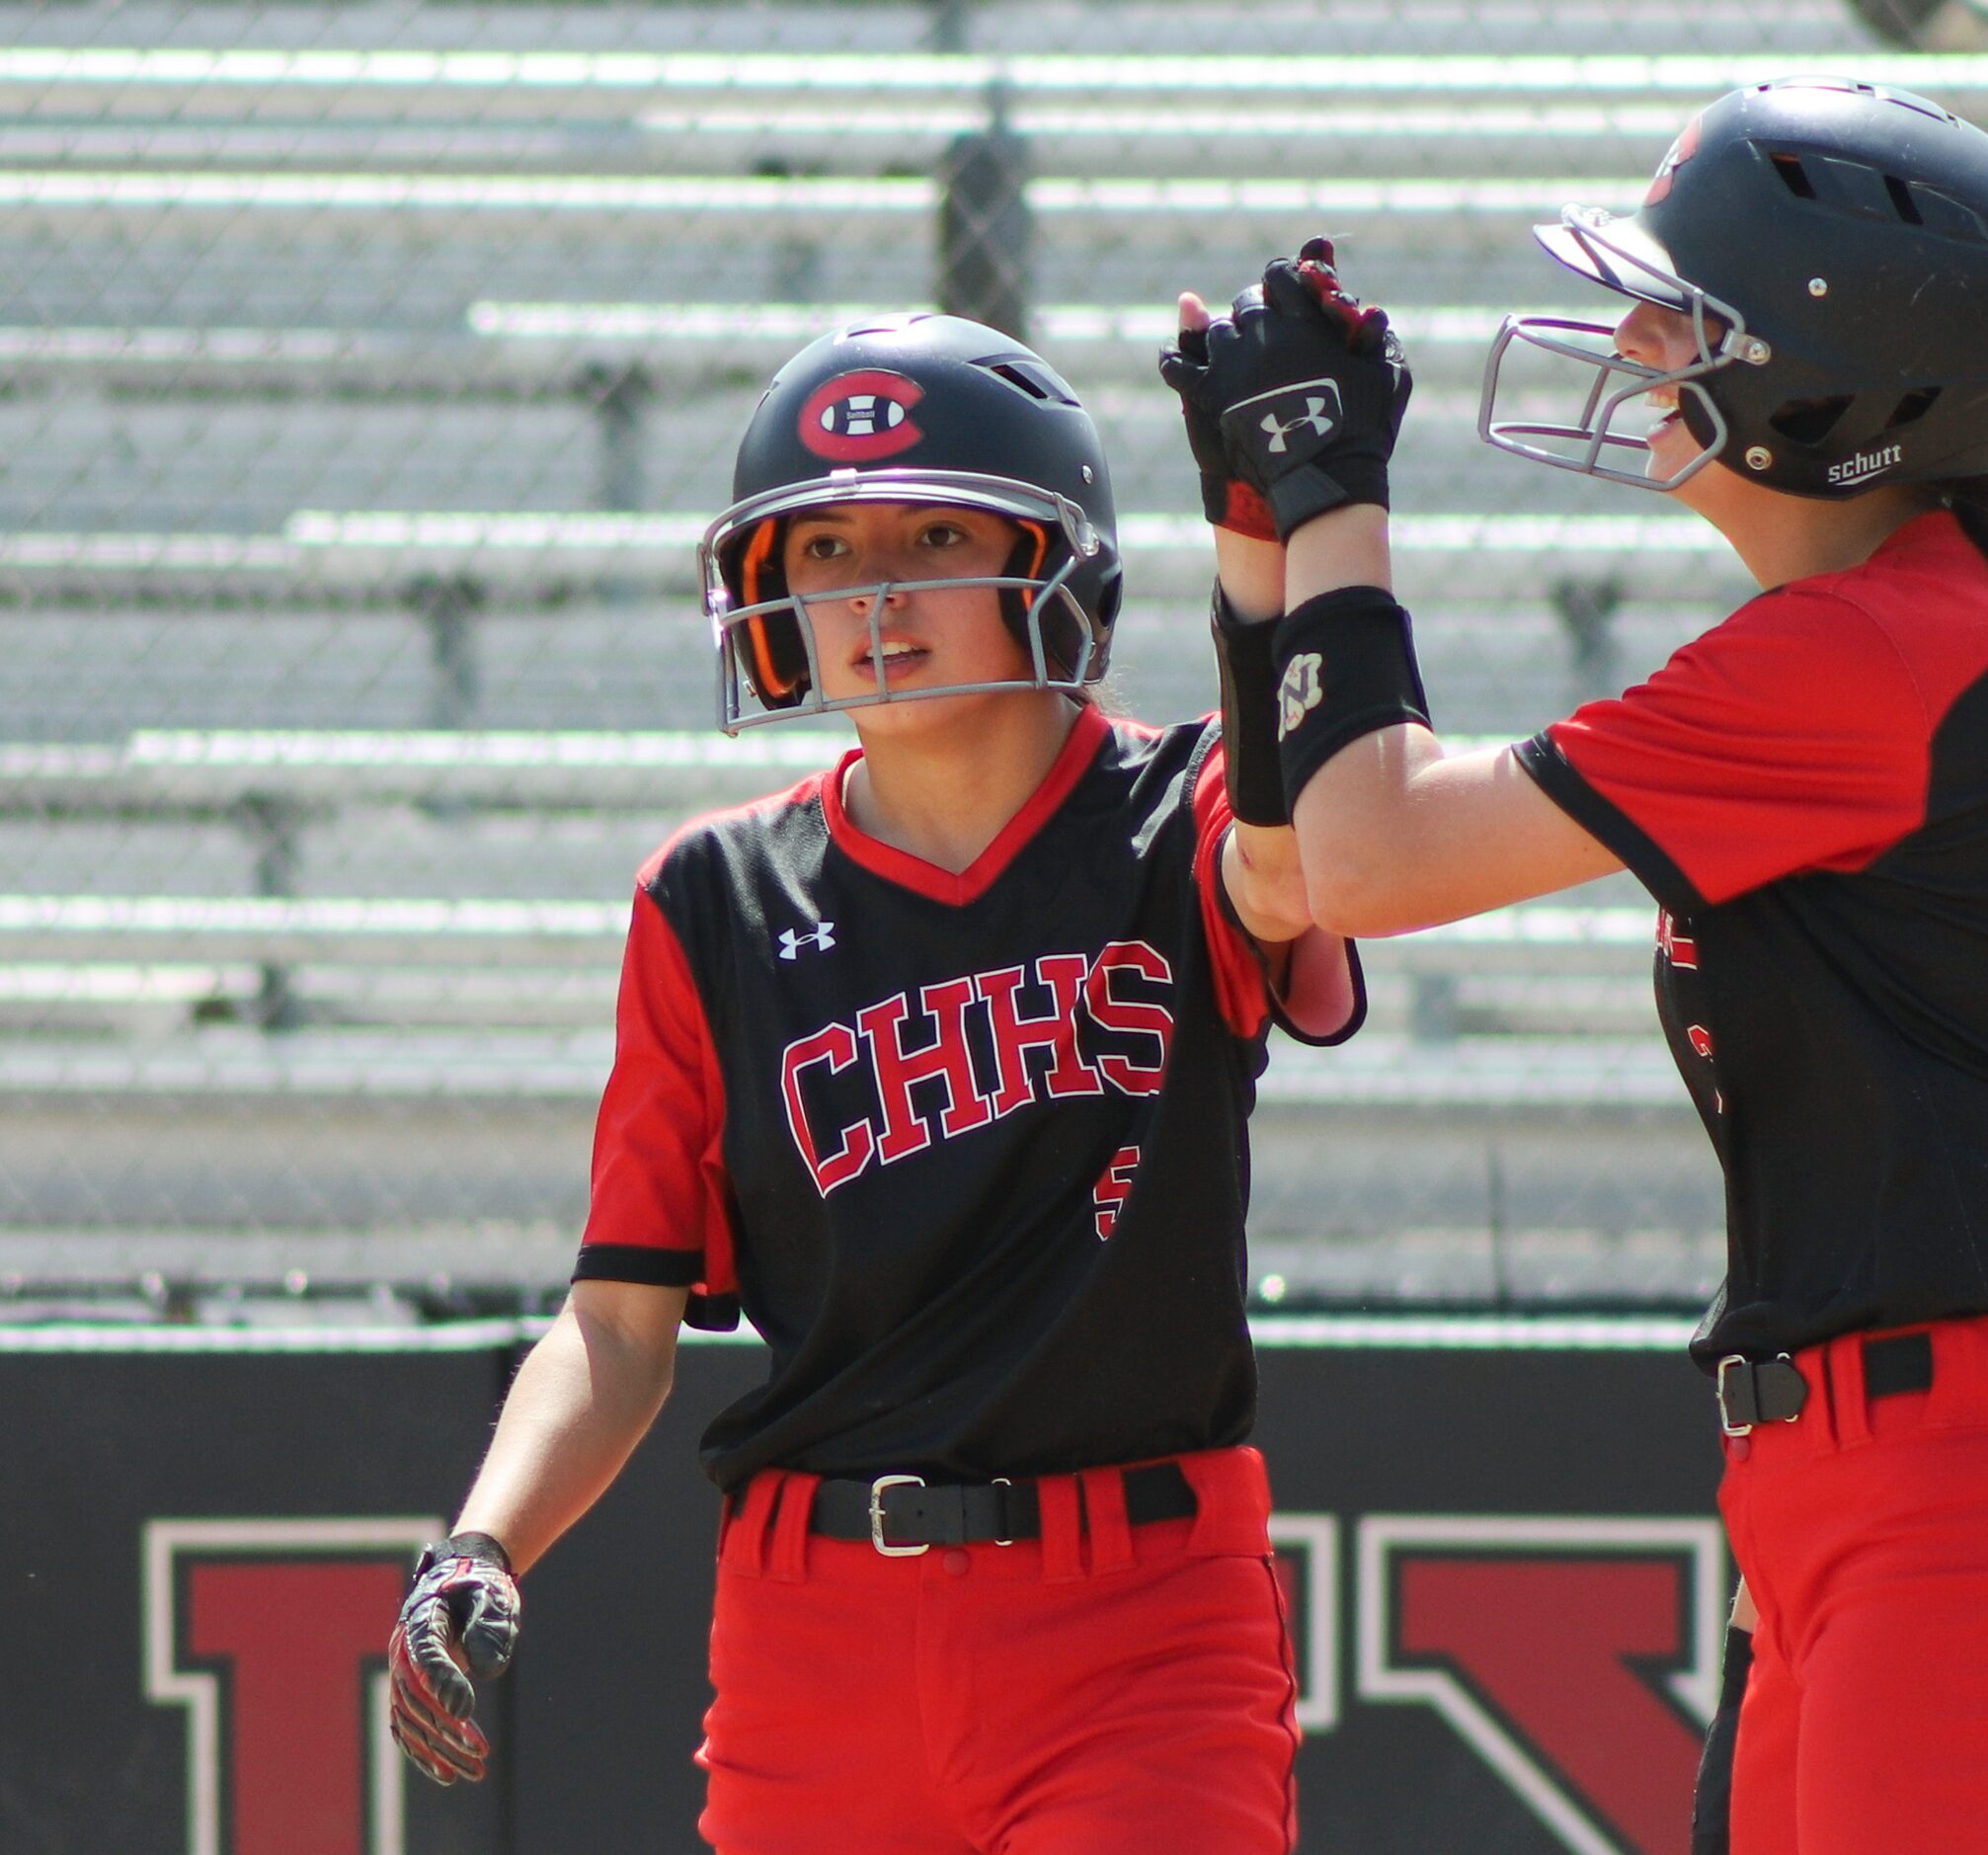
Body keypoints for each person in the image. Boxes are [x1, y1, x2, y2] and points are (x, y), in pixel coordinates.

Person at [1166, 80, 1988, 1854]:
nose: (1636, 340)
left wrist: (1336, 497)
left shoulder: (1877, 648)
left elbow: (1368, 854)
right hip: (1864, 1486)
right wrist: (1261, 539)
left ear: (1839, 383)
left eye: (1685, 311)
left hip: (1984, 1503)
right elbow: (1289, 877)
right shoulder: (1877, 628)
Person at [385, 312, 1360, 1854]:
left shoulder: (1191, 808)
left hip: (1139, 1622)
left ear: (1054, 557)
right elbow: (622, 1316)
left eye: (931, 531)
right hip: (813, 1634)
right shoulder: (708, 898)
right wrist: (482, 1540)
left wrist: (1269, 534)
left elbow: (1309, 861)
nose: (875, 591)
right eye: (826, 544)